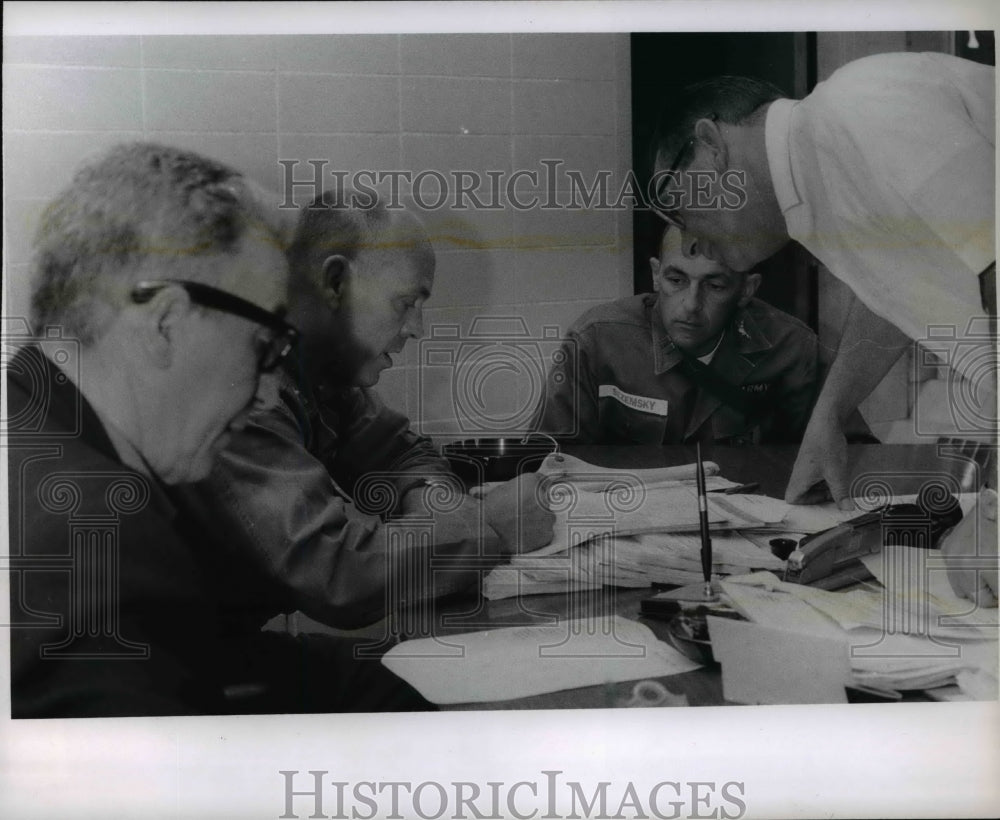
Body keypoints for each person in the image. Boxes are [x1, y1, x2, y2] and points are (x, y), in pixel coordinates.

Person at [174, 190, 556, 660]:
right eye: (405, 303)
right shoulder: (238, 385)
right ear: (334, 281)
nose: (418, 328)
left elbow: (400, 452)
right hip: (151, 671)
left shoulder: (314, 365)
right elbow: (334, 572)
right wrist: (488, 523)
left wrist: (435, 504)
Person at [6, 142, 300, 716]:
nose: (268, 392)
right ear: (164, 322)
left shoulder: (29, 428)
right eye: (265, 345)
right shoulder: (97, 534)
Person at [648, 52, 995, 507]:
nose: (688, 239)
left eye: (676, 205)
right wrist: (830, 415)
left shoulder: (859, 104)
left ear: (711, 145)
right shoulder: (829, 178)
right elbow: (894, 290)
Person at [532, 226, 819, 445]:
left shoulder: (791, 349)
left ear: (746, 290)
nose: (691, 305)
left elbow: (834, 459)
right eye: (676, 280)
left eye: (715, 285)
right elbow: (547, 463)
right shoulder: (595, 342)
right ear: (656, 275)